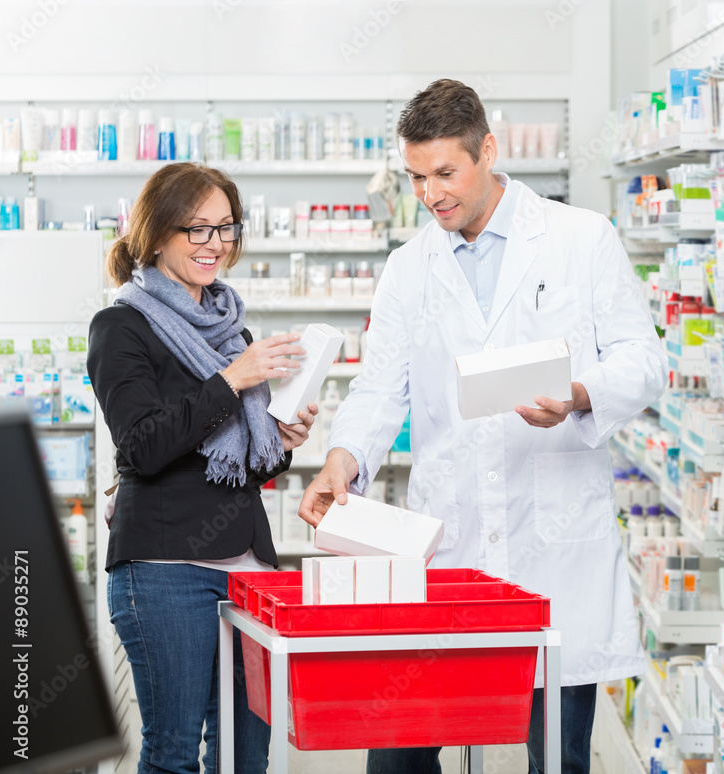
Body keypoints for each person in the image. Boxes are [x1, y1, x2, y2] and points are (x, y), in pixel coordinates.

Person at [299, 79, 668, 773]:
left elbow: (644, 360)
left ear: (487, 150)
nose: (431, 194)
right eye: (416, 177)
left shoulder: (580, 238)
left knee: (556, 759)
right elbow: (381, 387)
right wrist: (342, 459)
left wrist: (580, 393)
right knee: (398, 761)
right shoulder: (409, 268)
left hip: (552, 543)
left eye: (445, 173)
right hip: (452, 545)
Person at [88, 162, 318, 774]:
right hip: (165, 572)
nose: (215, 244)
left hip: (247, 571)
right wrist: (231, 381)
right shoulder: (121, 326)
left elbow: (233, 465)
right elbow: (141, 446)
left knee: (246, 755)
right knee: (173, 753)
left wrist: (282, 438)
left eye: (225, 228)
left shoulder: (228, 327)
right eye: (197, 229)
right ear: (157, 233)